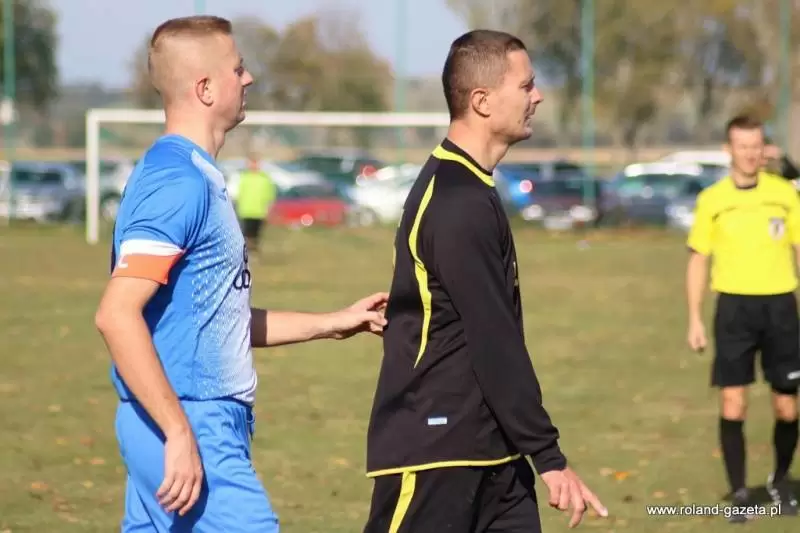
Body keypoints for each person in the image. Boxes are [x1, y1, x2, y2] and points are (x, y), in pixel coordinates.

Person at [94, 16, 388, 533]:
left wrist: (332, 322)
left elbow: (215, 321)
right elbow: (116, 315)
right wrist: (178, 431)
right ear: (205, 88)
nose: (248, 78)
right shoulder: (177, 182)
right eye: (238, 68)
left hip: (183, 419)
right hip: (189, 420)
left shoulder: (197, 176)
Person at [362, 30, 607, 533]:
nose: (538, 96)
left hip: (496, 454)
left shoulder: (473, 187)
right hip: (437, 455)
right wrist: (548, 455)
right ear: (482, 101)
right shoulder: (456, 200)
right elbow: (493, 337)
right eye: (526, 85)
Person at [686, 114, 800, 522]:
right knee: (733, 402)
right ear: (728, 150)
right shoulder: (712, 199)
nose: (750, 154)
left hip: (781, 307)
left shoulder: (784, 194)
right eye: (742, 146)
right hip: (734, 309)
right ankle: (739, 493)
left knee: (788, 407)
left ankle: (780, 481)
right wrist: (694, 318)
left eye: (756, 146)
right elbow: (698, 259)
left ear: (763, 149)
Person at [236, 153, 276, 257]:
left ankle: (254, 251)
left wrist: (268, 209)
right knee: (246, 234)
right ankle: (247, 253)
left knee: (256, 234)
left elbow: (270, 196)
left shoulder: (265, 178)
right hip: (246, 211)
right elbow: (239, 194)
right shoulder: (244, 177)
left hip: (259, 212)